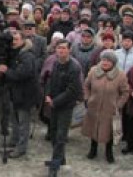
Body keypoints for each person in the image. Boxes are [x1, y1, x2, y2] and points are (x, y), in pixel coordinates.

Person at [82, 50, 129, 163]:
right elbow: (86, 86)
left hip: (110, 108)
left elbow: (125, 92)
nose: (105, 62)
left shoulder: (120, 75)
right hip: (94, 106)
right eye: (103, 60)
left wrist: (119, 105)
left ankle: (109, 152)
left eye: (108, 60)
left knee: (108, 131)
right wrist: (87, 98)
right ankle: (93, 149)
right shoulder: (93, 71)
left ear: (113, 62)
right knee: (94, 127)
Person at [45, 39, 83, 177]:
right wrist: (48, 95)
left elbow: (72, 90)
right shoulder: (55, 63)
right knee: (54, 134)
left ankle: (54, 167)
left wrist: (55, 101)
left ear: (69, 50)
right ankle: (61, 159)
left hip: (66, 106)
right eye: (58, 48)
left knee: (61, 136)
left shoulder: (74, 67)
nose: (60, 50)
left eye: (63, 48)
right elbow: (51, 81)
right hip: (54, 104)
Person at [0, 30, 39, 158]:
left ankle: (21, 148)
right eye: (13, 39)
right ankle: (14, 140)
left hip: (25, 94)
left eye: (16, 39)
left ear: (23, 40)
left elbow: (22, 74)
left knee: (23, 123)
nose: (13, 42)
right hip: (16, 93)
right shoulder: (16, 53)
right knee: (15, 120)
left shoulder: (27, 56)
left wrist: (6, 71)